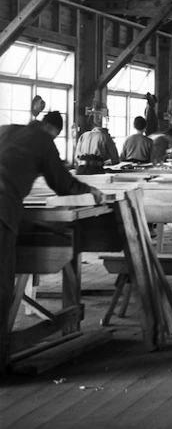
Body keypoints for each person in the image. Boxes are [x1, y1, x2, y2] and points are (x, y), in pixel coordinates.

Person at [0, 111, 103, 375]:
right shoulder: (43, 140)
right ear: (52, 130)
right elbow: (62, 183)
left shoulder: (6, 131)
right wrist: (91, 192)